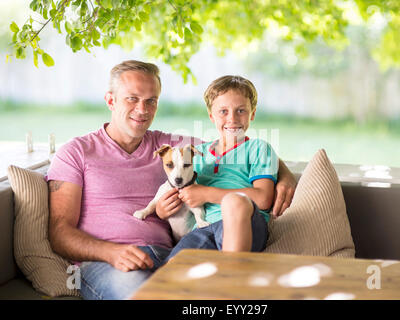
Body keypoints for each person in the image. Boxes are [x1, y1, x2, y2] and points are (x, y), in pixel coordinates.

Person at [46, 60, 296, 300]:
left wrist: (283, 175)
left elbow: (233, 145)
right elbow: (59, 232)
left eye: (151, 101)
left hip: (167, 254)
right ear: (111, 100)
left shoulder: (169, 147)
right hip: (110, 262)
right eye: (132, 98)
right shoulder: (76, 152)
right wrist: (111, 252)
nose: (142, 110)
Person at [163, 75, 280, 262]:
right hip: (204, 227)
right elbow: (177, 189)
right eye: (223, 111)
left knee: (235, 202)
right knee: (171, 269)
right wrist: (162, 210)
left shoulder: (258, 148)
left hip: (245, 223)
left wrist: (207, 193)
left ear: (252, 114)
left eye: (241, 110)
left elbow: (264, 198)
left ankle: (232, 281)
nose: (232, 118)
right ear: (211, 116)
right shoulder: (195, 154)